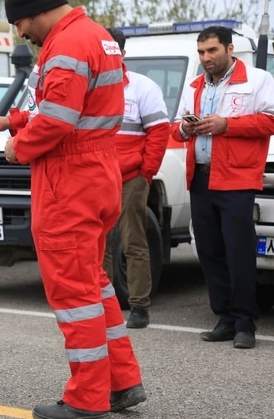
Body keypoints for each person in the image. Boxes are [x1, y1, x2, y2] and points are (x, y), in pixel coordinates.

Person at [0, 0, 145, 419]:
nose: (21, 32)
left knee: (73, 291)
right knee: (94, 284)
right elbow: (69, 109)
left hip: (69, 179)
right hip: (97, 171)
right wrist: (10, 120)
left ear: (34, 9)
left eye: (19, 22)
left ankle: (88, 397)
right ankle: (121, 381)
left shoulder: (67, 45)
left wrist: (16, 147)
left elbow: (58, 121)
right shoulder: (94, 36)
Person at [171, 26, 274, 350]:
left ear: (230, 49)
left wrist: (226, 125)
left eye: (212, 51)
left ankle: (245, 323)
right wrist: (186, 129)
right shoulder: (195, 86)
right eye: (201, 52)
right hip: (200, 177)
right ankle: (225, 319)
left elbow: (270, 121)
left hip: (236, 179)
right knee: (210, 251)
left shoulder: (257, 80)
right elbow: (175, 131)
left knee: (239, 252)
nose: (206, 58)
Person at [103, 28, 170, 329]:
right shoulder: (90, 87)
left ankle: (139, 306)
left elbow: (159, 132)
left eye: (111, 50)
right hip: (96, 178)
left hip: (131, 177)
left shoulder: (143, 87)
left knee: (133, 241)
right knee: (97, 243)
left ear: (122, 53)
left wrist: (146, 173)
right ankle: (101, 303)